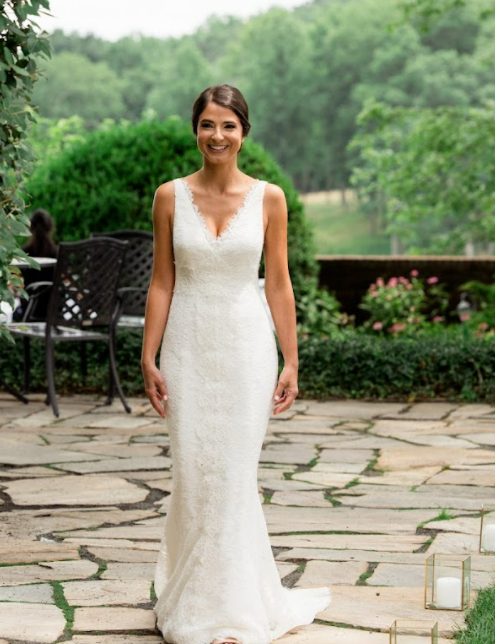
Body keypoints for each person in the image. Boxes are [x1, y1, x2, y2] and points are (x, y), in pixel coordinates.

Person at [139, 85, 329, 644]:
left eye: (228, 125)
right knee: (195, 474)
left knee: (234, 475)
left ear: (244, 132)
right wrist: (147, 355)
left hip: (248, 349)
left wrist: (291, 360)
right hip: (188, 348)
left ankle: (232, 612)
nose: (216, 136)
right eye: (207, 125)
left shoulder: (269, 199)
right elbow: (161, 281)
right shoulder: (168, 197)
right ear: (194, 130)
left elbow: (279, 283)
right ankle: (193, 599)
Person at [13, 208, 58, 322]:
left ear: (30, 228)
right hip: (54, 312)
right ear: (50, 228)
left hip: (29, 311)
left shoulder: (24, 253)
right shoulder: (59, 254)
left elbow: (15, 284)